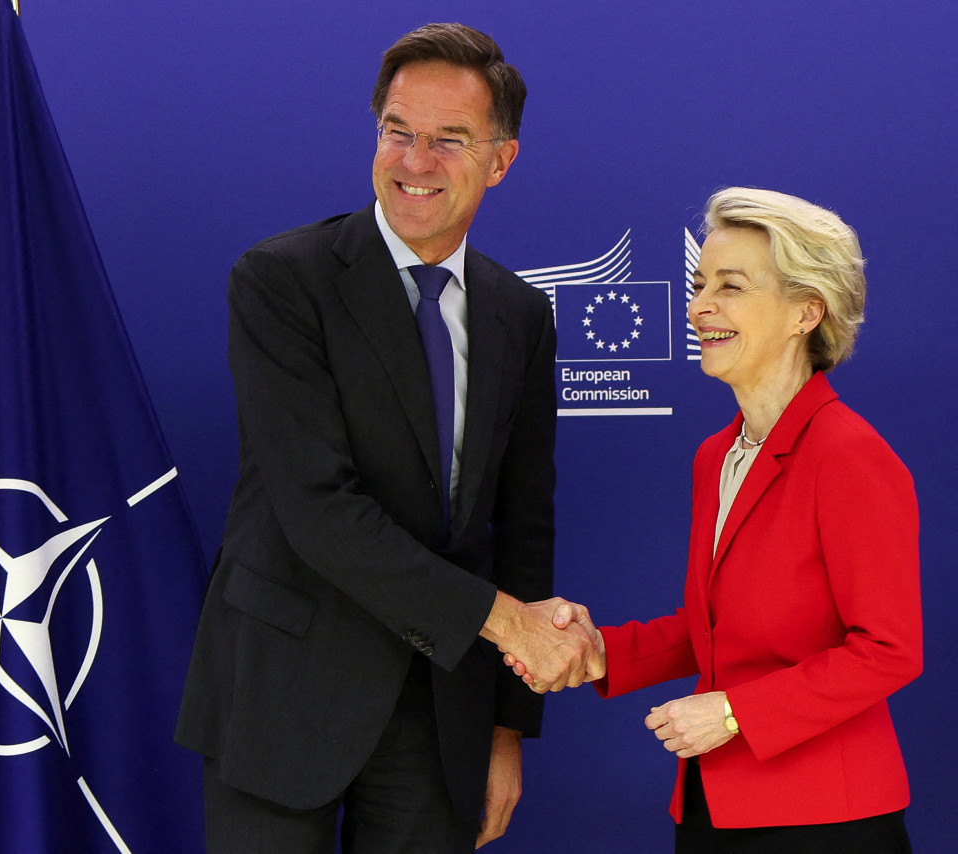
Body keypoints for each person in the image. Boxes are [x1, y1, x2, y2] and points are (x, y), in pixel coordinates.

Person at [175, 22, 600, 854]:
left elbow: (522, 525)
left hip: (440, 715)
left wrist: (505, 732)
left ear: (500, 160)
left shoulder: (520, 315)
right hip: (281, 697)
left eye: (449, 140)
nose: (414, 161)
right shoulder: (282, 282)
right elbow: (317, 510)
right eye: (397, 131)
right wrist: (509, 625)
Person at [516, 187, 922, 852]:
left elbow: (888, 650)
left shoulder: (849, 456)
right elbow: (718, 630)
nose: (700, 306)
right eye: (700, 283)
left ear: (806, 311)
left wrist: (734, 712)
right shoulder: (718, 456)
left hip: (827, 820)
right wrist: (599, 656)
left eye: (730, 286)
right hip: (713, 808)